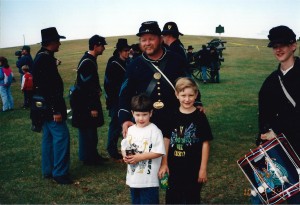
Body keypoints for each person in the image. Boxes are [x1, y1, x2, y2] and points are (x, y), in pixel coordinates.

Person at [119, 21, 203, 139]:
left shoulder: (176, 60)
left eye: (151, 39)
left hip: (176, 118)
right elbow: (124, 94)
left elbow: (190, 83)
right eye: (143, 40)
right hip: (147, 121)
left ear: (160, 39)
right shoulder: (134, 65)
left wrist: (197, 102)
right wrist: (125, 119)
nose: (147, 43)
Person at [257, 25, 300, 204]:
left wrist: (279, 130)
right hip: (281, 150)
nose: (278, 49)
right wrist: (262, 141)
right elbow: (264, 116)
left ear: (293, 46)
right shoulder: (270, 81)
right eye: (275, 46)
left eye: (283, 44)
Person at [158, 77, 213, 204]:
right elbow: (166, 139)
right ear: (177, 95)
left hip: (193, 168)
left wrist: (203, 168)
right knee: (172, 198)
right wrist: (164, 163)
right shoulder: (171, 115)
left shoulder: (200, 116)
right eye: (183, 95)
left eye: (190, 95)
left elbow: (205, 143)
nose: (187, 99)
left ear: (196, 95)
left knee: (192, 198)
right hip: (173, 167)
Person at [31, 27, 72, 184]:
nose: (59, 44)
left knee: (48, 139)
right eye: (58, 41)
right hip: (51, 108)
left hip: (43, 108)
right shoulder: (46, 59)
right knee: (61, 138)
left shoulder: (41, 56)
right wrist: (55, 110)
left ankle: (48, 170)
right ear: (51, 42)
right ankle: (60, 173)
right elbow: (49, 88)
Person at [121, 93, 165, 204]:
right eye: (138, 115)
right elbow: (125, 146)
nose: (141, 118)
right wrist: (125, 156)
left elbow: (159, 151)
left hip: (148, 181)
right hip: (133, 179)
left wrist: (139, 157)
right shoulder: (131, 130)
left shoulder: (154, 131)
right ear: (132, 113)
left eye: (144, 114)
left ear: (151, 113)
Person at [71, 35, 106, 166]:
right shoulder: (88, 62)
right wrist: (93, 107)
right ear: (96, 46)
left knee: (86, 129)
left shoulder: (89, 59)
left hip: (82, 102)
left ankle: (88, 155)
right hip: (86, 104)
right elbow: (86, 87)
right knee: (89, 130)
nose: (104, 48)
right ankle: (90, 157)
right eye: (102, 45)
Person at [104, 38, 131, 161]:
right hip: (116, 100)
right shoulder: (114, 63)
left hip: (124, 99)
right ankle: (112, 150)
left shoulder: (126, 61)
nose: (127, 52)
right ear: (120, 51)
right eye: (125, 50)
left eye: (128, 50)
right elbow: (109, 85)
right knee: (115, 125)